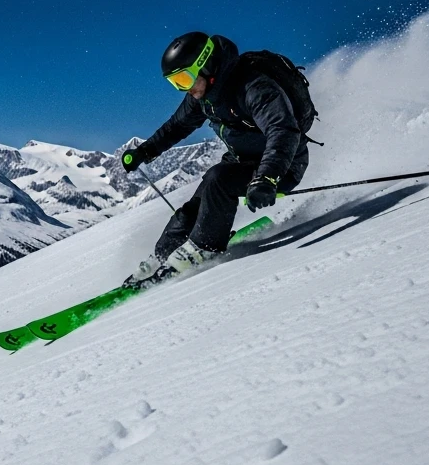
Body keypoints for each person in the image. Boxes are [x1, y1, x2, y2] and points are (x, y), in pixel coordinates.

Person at [120, 32, 314, 287]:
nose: (185, 88)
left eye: (185, 78)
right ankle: (160, 257)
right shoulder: (204, 96)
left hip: (283, 166)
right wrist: (145, 151)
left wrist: (267, 176)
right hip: (242, 161)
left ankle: (203, 248)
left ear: (206, 64)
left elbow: (283, 129)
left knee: (218, 179)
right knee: (194, 206)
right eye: (176, 82)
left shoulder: (252, 86)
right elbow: (176, 126)